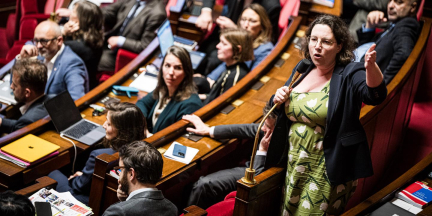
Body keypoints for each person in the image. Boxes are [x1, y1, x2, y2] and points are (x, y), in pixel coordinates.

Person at [268, 15, 387, 215]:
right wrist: (277, 99)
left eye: (326, 42)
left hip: (326, 168)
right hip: (295, 163)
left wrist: (371, 68)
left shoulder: (350, 72)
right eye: (314, 40)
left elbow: (375, 95)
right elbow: (280, 107)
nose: (317, 46)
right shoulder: (303, 69)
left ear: (339, 46)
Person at [48, 102, 146, 205]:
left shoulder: (98, 155)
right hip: (107, 194)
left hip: (92, 200)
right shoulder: (143, 149)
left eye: (108, 124)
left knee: (53, 173)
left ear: (123, 131)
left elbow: (79, 186)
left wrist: (75, 179)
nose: (103, 125)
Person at [182, 103, 276, 209]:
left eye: (267, 126)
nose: (262, 128)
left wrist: (262, 150)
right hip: (252, 169)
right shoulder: (269, 128)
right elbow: (248, 129)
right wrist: (209, 130)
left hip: (258, 176)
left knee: (204, 185)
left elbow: (257, 182)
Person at [136, 46, 203, 134]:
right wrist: (143, 127)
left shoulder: (191, 105)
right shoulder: (164, 89)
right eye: (167, 66)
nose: (171, 72)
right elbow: (142, 103)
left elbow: (175, 137)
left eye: (178, 68)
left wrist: (149, 136)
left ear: (186, 72)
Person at [18, 20, 89, 101]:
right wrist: (21, 58)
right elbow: (15, 87)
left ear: (59, 41)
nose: (39, 46)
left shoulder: (72, 64)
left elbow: (77, 100)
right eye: (36, 41)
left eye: (44, 41)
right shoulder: (40, 54)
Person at [103, 141, 177, 216]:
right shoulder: (172, 209)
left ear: (131, 173)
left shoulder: (117, 212)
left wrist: (123, 204)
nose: (119, 175)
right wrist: (126, 201)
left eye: (121, 170)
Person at [356, 0, 420, 84]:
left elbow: (403, 54)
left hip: (358, 79)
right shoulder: (395, 24)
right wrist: (369, 27)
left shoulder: (406, 24)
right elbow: (367, 48)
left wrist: (380, 85)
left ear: (412, 7)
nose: (390, 6)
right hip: (355, 67)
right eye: (390, 1)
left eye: (399, 2)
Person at [205, 4, 274, 77]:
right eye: (243, 19)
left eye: (253, 21)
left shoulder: (265, 50)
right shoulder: (241, 41)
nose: (245, 25)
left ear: (262, 26)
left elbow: (252, 78)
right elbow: (226, 66)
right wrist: (210, 79)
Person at [98, 0, 166, 72]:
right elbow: (109, 11)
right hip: (108, 43)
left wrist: (120, 41)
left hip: (124, 57)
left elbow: (145, 46)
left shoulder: (157, 14)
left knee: (91, 58)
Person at [198, 28, 254, 104]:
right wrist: (202, 96)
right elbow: (216, 96)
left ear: (237, 49)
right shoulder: (230, 67)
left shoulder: (234, 76)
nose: (217, 46)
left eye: (224, 44)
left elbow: (221, 105)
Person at [0, 59, 52, 133]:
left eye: (15, 85)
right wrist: (2, 122)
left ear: (27, 92)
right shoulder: (55, 98)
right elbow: (20, 125)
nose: (11, 87)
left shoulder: (27, 121)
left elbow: (21, 127)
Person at [62, 0, 104, 89]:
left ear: (81, 18)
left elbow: (52, 50)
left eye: (73, 11)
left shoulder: (76, 46)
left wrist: (63, 33)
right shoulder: (95, 39)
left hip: (75, 88)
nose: (70, 14)